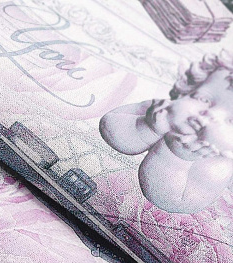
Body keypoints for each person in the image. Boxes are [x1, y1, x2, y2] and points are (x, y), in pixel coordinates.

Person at [99, 51, 233, 214]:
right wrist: (147, 128)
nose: (209, 115)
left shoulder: (220, 166)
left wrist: (176, 159)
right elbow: (110, 125)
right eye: (204, 99)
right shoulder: (164, 111)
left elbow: (175, 202)